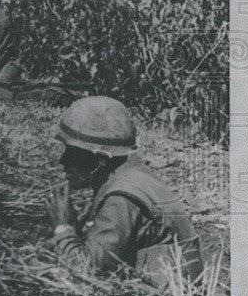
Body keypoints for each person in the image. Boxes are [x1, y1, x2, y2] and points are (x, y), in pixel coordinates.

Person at [48, 96, 204, 286]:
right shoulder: (130, 174)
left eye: (72, 153)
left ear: (100, 161)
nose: (63, 161)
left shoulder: (120, 198)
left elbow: (86, 272)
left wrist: (63, 227)